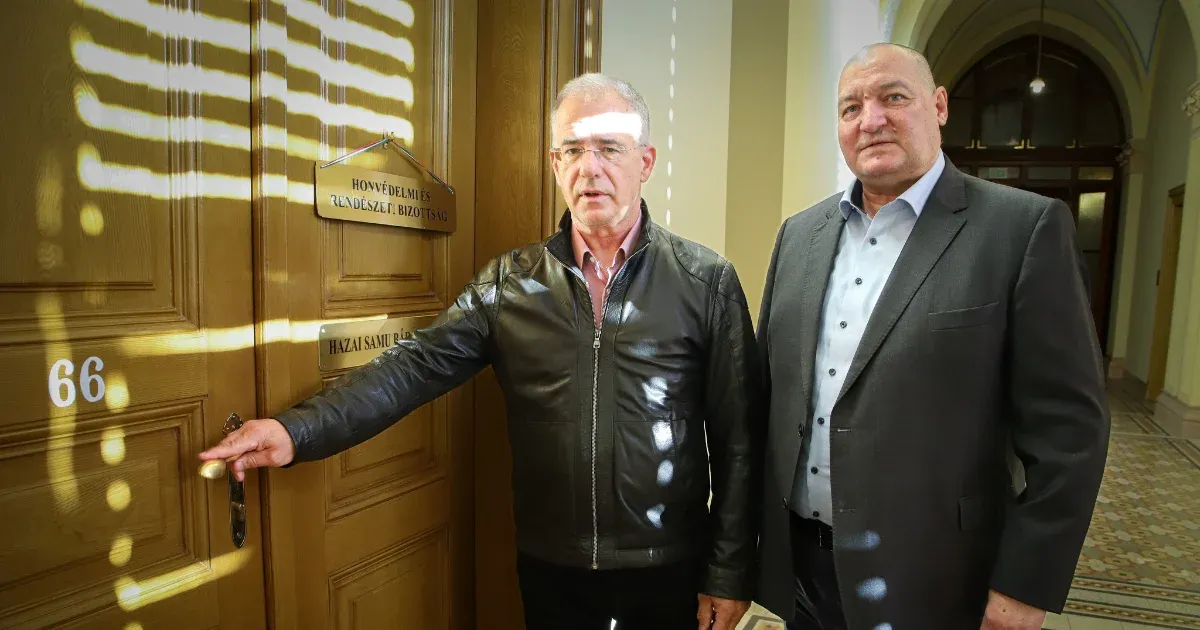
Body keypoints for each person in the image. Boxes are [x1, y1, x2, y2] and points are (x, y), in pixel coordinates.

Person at [198, 73, 762, 630]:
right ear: (555, 163)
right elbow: (413, 367)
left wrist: (729, 573)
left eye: (609, 148)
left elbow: (739, 440)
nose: (589, 168)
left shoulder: (704, 282)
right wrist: (296, 431)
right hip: (553, 570)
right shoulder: (509, 285)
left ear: (645, 162)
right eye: (572, 150)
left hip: (668, 569)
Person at [753, 43, 1110, 629]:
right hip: (803, 568)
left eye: (893, 97)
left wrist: (1024, 584)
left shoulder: (1020, 230)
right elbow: (768, 398)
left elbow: (1069, 430)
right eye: (850, 108)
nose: (871, 120)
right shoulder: (799, 235)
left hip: (937, 576)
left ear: (939, 106)